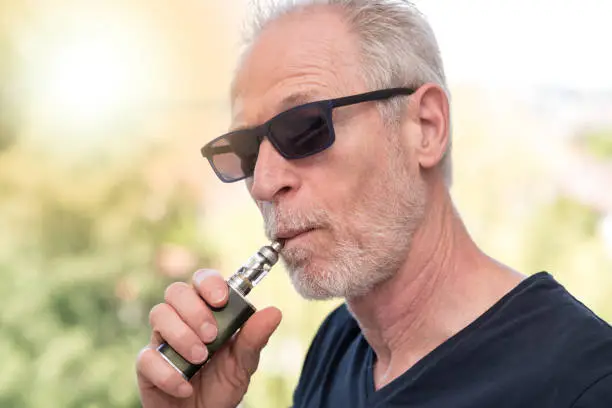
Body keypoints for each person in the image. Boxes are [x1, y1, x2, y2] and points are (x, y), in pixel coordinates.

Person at [135, 1, 612, 407]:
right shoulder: (337, 346)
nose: (263, 182)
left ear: (425, 127)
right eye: (244, 150)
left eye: (303, 128)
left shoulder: (585, 383)